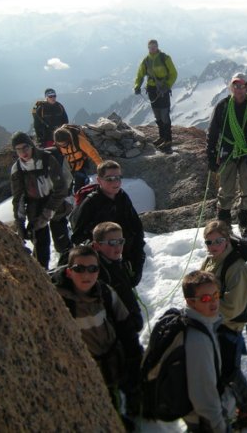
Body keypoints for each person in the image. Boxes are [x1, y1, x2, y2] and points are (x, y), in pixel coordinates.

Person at [52, 245, 143, 428]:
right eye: (79, 269)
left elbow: (124, 324)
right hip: (86, 368)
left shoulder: (106, 293)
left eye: (93, 269)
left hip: (113, 359)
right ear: (69, 272)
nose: (87, 274)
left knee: (119, 392)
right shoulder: (59, 301)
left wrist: (134, 353)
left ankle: (126, 413)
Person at [200, 220, 247, 429]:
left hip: (228, 326)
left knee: (229, 370)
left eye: (218, 241)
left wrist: (204, 311)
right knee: (220, 367)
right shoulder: (211, 259)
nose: (213, 246)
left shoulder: (236, 267)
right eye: (209, 242)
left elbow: (233, 307)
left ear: (227, 240)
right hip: (213, 323)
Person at [206, 73, 247, 239]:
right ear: (231, 87)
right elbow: (212, 132)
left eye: (242, 85)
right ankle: (224, 225)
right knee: (226, 190)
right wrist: (211, 155)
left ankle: (244, 223)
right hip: (228, 152)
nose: (239, 89)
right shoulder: (223, 106)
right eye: (235, 85)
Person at [70, 160, 146, 285]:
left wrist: (137, 262)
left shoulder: (122, 197)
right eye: (109, 178)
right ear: (99, 180)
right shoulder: (91, 203)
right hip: (102, 266)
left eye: (118, 177)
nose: (116, 182)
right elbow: (78, 237)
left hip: (124, 259)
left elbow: (136, 229)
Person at [181, 270, 233, 433]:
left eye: (216, 295)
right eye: (205, 298)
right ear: (190, 302)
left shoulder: (202, 323)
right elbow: (203, 394)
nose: (213, 302)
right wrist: (219, 427)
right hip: (205, 421)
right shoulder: (198, 340)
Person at [10, 131, 72, 268]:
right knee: (40, 247)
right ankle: (43, 275)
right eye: (18, 149)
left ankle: (67, 268)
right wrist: (19, 223)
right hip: (35, 206)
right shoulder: (17, 169)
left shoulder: (47, 159)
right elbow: (18, 198)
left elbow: (61, 189)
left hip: (55, 201)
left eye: (25, 147)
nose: (23, 152)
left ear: (31, 146)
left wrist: (47, 214)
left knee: (62, 241)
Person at [134, 39, 178, 151]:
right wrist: (137, 86)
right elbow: (140, 74)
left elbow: (173, 73)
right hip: (152, 89)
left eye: (154, 46)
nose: (152, 49)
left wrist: (167, 85)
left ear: (157, 46)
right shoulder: (146, 60)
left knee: (164, 114)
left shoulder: (165, 58)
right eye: (150, 47)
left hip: (163, 90)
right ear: (148, 48)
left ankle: (168, 139)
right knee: (157, 115)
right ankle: (162, 137)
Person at [54, 125, 103, 192]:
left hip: (81, 163)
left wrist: (102, 167)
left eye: (64, 144)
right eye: (60, 145)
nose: (63, 146)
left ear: (69, 139)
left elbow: (92, 153)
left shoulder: (79, 140)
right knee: (67, 188)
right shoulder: (58, 141)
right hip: (68, 165)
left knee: (80, 188)